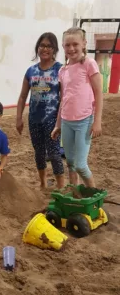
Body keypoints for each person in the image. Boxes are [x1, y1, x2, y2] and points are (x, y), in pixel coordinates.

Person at [51, 27, 103, 188]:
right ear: (63, 46)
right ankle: (76, 194)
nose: (71, 48)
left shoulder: (89, 64)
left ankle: (93, 194)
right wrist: (58, 124)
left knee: (80, 165)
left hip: (84, 121)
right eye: (67, 45)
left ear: (84, 44)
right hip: (66, 121)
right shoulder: (63, 70)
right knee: (71, 163)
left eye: (75, 44)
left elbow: (99, 93)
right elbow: (63, 98)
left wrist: (97, 121)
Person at [16, 32, 64, 190]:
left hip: (53, 119)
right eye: (42, 45)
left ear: (54, 49)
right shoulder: (31, 71)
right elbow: (23, 96)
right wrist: (19, 118)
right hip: (34, 119)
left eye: (49, 46)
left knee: (55, 153)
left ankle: (60, 186)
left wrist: (61, 120)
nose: (45, 49)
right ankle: (43, 183)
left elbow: (64, 97)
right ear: (37, 48)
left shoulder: (60, 69)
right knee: (39, 152)